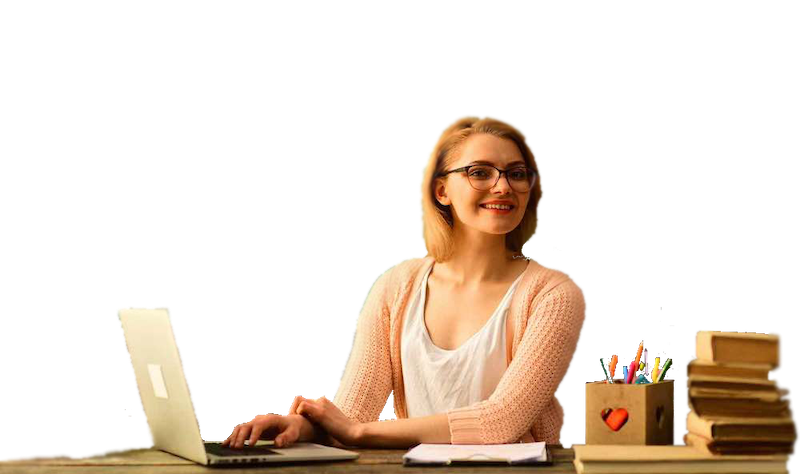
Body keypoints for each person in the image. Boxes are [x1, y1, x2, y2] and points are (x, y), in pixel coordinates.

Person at [222, 114, 588, 450]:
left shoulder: (554, 294)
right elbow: (352, 415)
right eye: (480, 172)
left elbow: (501, 422)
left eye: (517, 173)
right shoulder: (397, 285)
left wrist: (357, 433)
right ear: (441, 190)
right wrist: (301, 427)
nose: (503, 186)